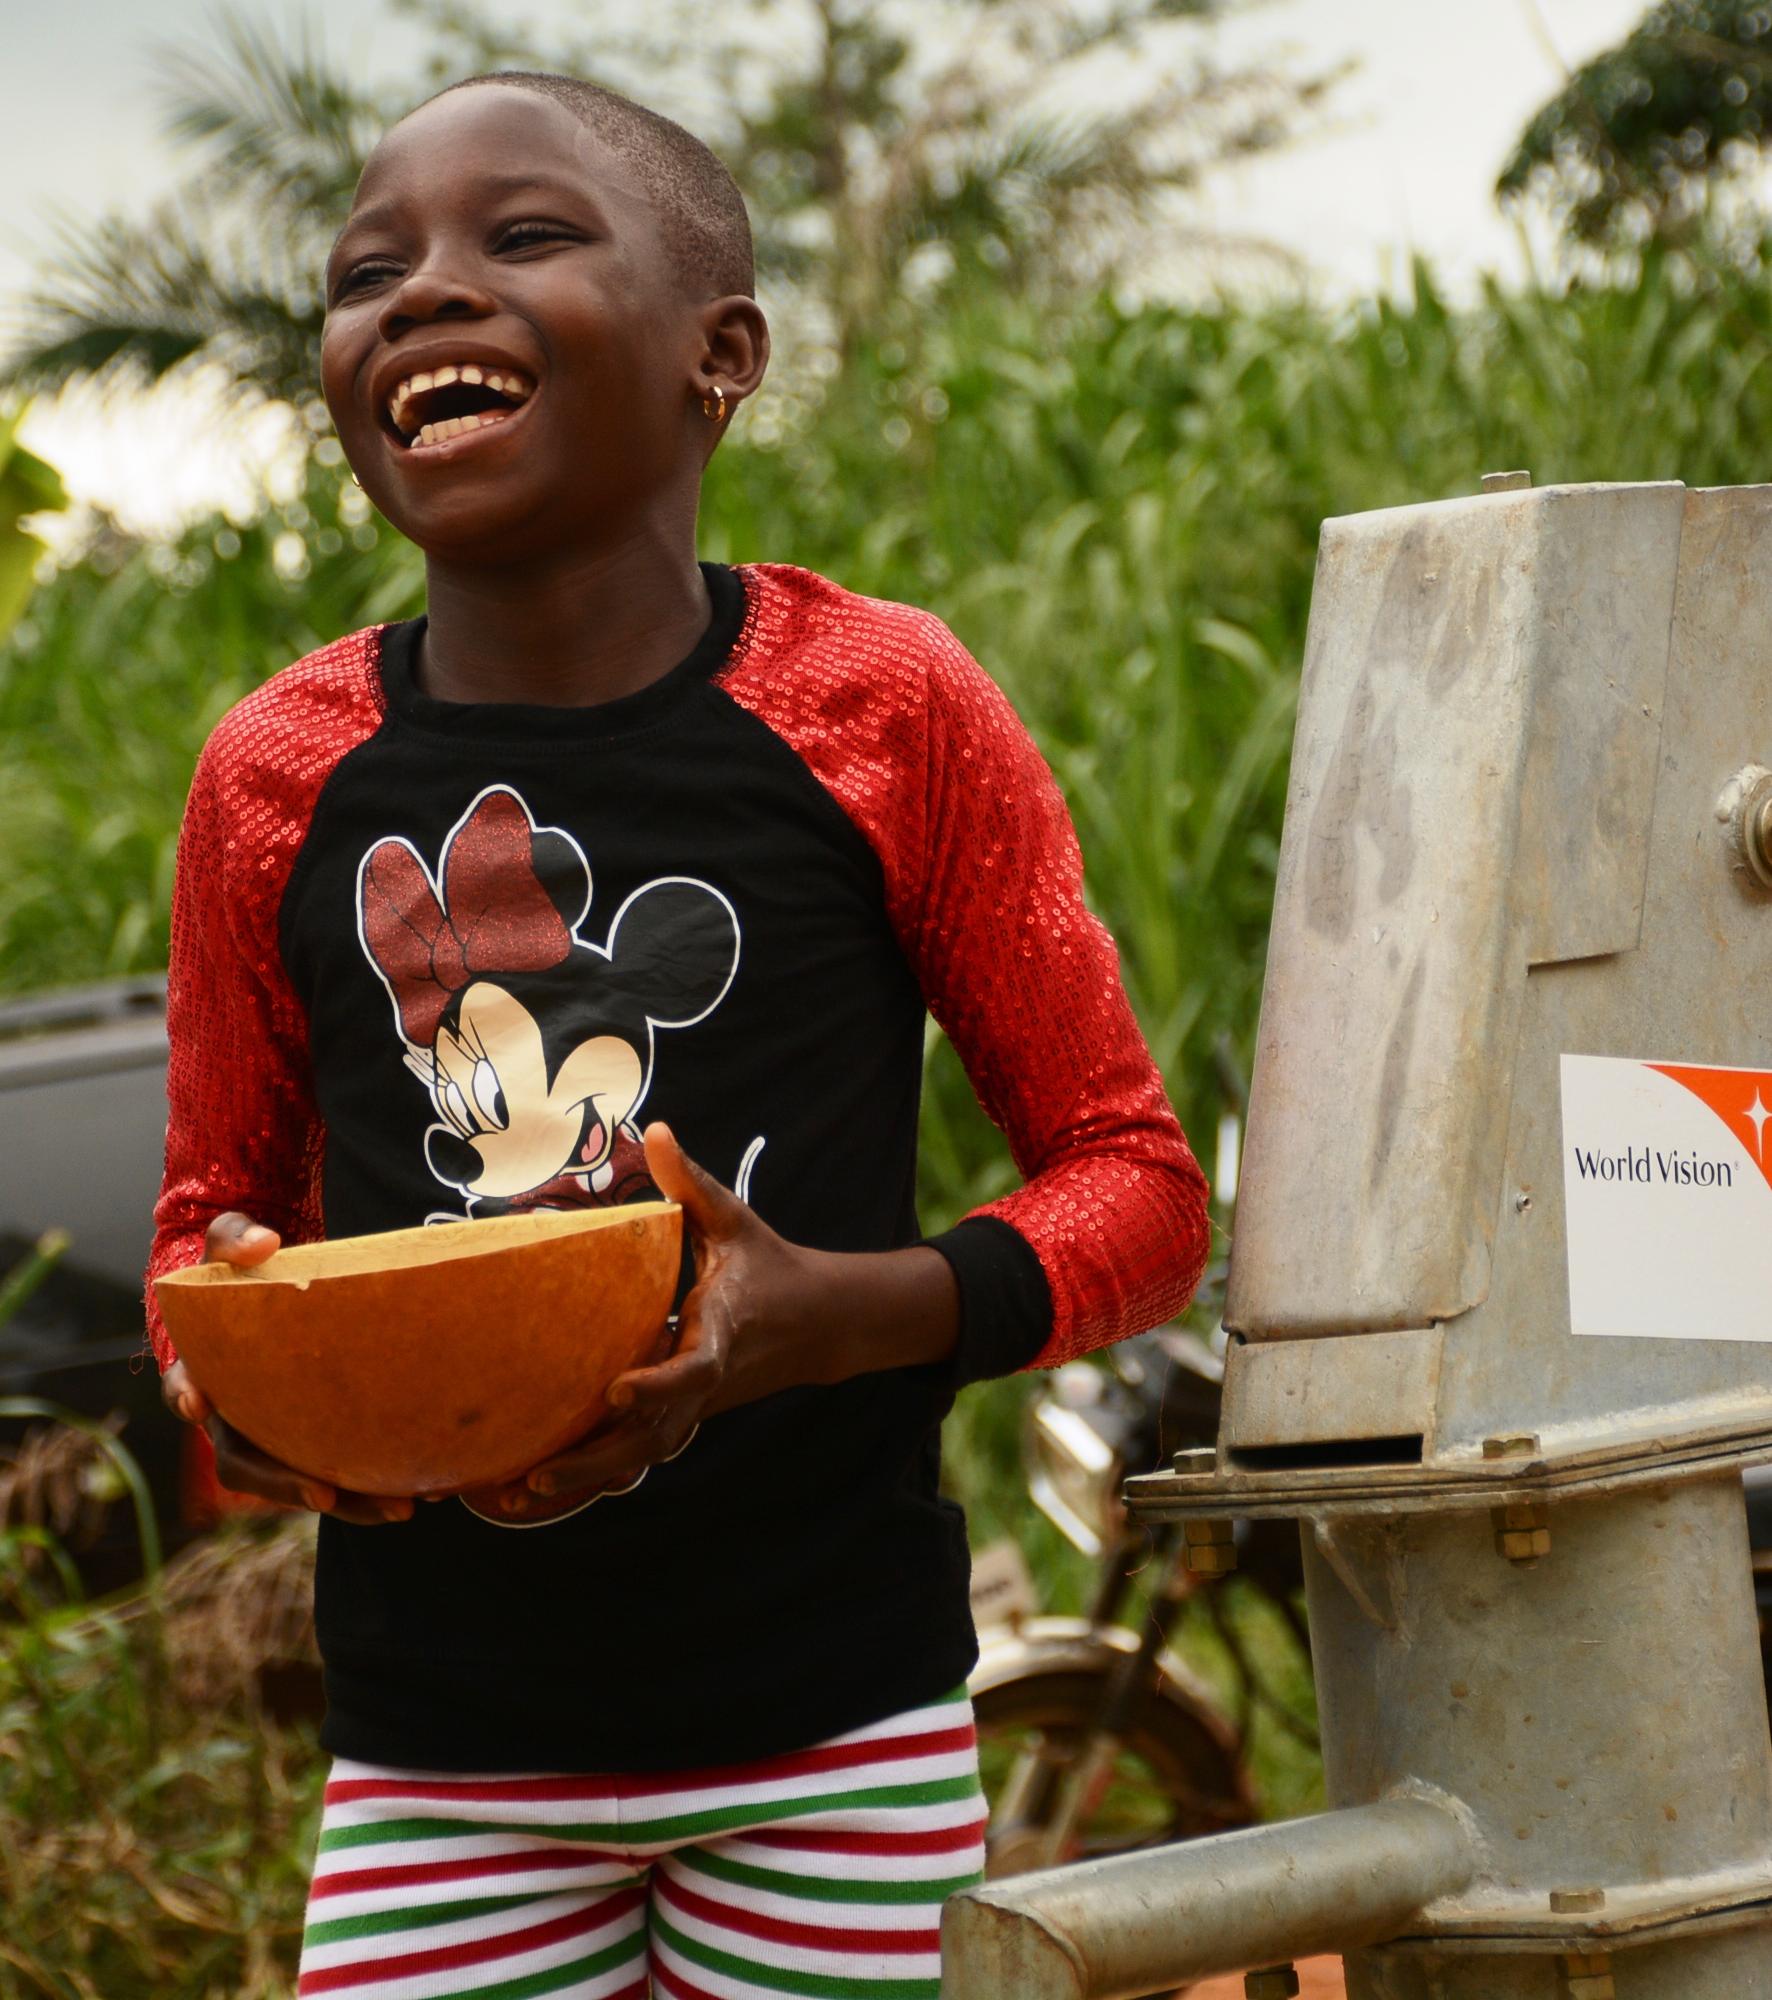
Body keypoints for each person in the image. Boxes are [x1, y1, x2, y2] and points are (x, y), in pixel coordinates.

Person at [146, 70, 1209, 2000]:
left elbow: (1140, 1195)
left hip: (835, 1739)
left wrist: (828, 1313)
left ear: (720, 355)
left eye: (523, 238)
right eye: (367, 268)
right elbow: (205, 1227)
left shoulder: (881, 706)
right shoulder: (275, 777)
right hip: (438, 1762)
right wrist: (253, 1381)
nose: (425, 293)